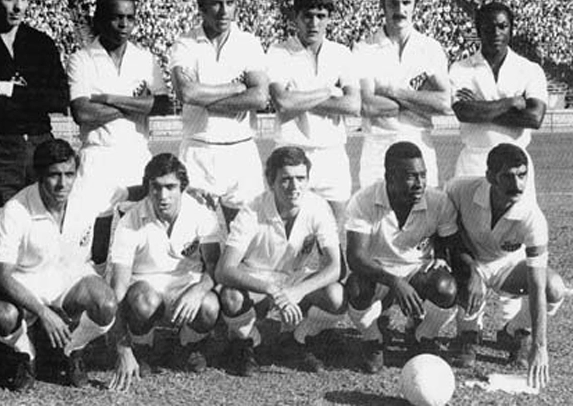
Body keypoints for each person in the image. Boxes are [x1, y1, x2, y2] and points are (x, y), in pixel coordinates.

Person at [0, 0, 68, 378]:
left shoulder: (40, 43)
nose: (18, 6)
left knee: (48, 239)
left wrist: (9, 91)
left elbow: (60, 98)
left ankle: (51, 345)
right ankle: (3, 354)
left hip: (39, 148)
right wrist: (17, 98)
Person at [0, 139, 117, 391]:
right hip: (27, 280)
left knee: (106, 304)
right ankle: (27, 354)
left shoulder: (88, 196)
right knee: (4, 315)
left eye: (69, 174)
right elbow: (1, 276)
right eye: (54, 175)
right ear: (39, 175)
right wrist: (42, 312)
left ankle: (74, 350)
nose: (63, 184)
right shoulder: (15, 209)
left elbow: (134, 191)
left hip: (70, 278)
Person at [216, 147, 345, 376]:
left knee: (337, 296)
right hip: (256, 277)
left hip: (294, 277)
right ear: (270, 181)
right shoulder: (252, 210)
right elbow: (224, 270)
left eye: (300, 178)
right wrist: (271, 290)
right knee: (231, 297)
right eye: (286, 179)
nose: (295, 187)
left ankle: (297, 338)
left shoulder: (318, 206)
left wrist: (297, 291)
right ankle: (248, 343)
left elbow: (336, 267)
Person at [446, 143, 565, 390]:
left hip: (507, 267)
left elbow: (537, 282)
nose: (517, 184)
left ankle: (515, 331)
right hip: (470, 262)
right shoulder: (459, 189)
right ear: (489, 176)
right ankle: (467, 334)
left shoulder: (532, 217)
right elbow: (445, 233)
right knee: (450, 279)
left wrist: (539, 346)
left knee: (553, 289)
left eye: (522, 175)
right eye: (508, 176)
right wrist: (469, 268)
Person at [67, 0, 170, 270]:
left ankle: (132, 300)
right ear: (100, 20)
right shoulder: (82, 59)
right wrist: (137, 104)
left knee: (139, 235)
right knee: (93, 243)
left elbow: (162, 105)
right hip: (97, 156)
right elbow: (83, 112)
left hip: (136, 155)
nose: (124, 25)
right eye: (116, 18)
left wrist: (112, 99)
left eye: (129, 17)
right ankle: (93, 306)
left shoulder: (145, 59)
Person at [108, 153, 222, 391]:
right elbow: (118, 288)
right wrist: (123, 347)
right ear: (148, 187)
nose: (163, 195)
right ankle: (143, 347)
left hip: (185, 286)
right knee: (143, 300)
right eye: (156, 187)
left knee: (209, 306)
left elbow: (214, 266)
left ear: (183, 187)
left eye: (170, 187)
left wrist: (199, 291)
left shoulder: (201, 214)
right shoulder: (130, 221)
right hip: (146, 288)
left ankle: (186, 345)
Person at [345, 141, 459, 373]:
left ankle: (421, 337)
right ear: (390, 177)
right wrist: (394, 282)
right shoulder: (364, 200)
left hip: (417, 271)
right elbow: (356, 257)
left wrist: (441, 256)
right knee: (357, 288)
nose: (420, 184)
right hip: (379, 273)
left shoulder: (438, 201)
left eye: (423, 175)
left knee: (446, 287)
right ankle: (373, 340)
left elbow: (452, 245)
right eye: (411, 177)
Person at [169, 0, 269, 228]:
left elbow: (259, 96)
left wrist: (206, 99)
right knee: (198, 243)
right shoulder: (185, 44)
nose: (224, 10)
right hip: (198, 150)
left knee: (247, 240)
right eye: (216, 3)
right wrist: (235, 88)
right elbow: (187, 94)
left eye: (230, 2)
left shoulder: (249, 43)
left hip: (241, 150)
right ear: (201, 6)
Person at [267, 0, 360, 223]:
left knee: (335, 237)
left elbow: (352, 105)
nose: (314, 23)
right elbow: (284, 103)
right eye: (307, 16)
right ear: (295, 17)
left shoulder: (341, 54)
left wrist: (302, 97)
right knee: (286, 237)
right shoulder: (278, 52)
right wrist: (329, 90)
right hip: (291, 153)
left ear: (329, 19)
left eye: (321, 16)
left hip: (332, 155)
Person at [352, 0, 450, 189]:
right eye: (393, 3)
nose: (400, 9)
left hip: (419, 141)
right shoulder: (364, 49)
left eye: (406, 2)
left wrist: (393, 92)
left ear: (415, 5)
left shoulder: (430, 48)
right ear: (383, 6)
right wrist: (421, 101)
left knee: (421, 216)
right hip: (378, 145)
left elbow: (443, 104)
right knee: (377, 217)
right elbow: (368, 106)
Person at [449, 2, 547, 198]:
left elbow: (534, 118)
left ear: (511, 29)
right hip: (474, 161)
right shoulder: (460, 68)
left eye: (502, 26)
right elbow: (464, 113)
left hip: (516, 162)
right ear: (479, 30)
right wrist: (510, 103)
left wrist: (480, 108)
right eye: (489, 27)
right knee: (470, 225)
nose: (496, 32)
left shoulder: (529, 69)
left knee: (516, 224)